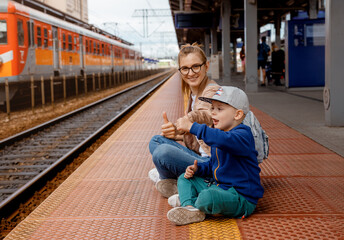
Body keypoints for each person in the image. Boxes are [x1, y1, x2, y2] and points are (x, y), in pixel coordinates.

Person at [166, 86, 264, 225]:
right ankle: (189, 207)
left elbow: (222, 139)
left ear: (237, 115)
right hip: (220, 187)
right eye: (212, 108)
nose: (213, 113)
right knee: (185, 178)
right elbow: (214, 164)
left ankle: (192, 199)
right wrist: (198, 169)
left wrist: (192, 127)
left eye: (219, 109)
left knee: (208, 196)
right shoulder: (221, 134)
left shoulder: (243, 135)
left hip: (241, 198)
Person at [148, 43, 219, 198]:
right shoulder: (193, 94)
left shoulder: (212, 90)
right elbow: (198, 136)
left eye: (196, 66)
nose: (190, 73)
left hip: (211, 163)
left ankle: (182, 183)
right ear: (179, 70)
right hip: (199, 155)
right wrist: (175, 134)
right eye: (185, 68)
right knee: (156, 141)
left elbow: (206, 113)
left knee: (162, 153)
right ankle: (175, 182)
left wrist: (188, 120)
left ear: (206, 66)